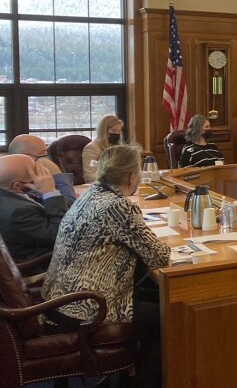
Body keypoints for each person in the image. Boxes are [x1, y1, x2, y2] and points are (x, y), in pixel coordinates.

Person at [41, 145, 170, 388]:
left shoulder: (90, 194)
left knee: (156, 297)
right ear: (131, 177)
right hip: (88, 309)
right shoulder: (117, 206)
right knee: (170, 315)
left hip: (59, 301)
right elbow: (160, 256)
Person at [0, 154, 69, 271]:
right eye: (36, 174)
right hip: (46, 264)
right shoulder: (18, 212)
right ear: (18, 186)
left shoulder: (10, 193)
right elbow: (61, 234)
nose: (43, 177)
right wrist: (50, 191)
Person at [9, 134, 77, 203]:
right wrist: (58, 175)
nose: (46, 161)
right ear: (25, 156)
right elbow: (71, 207)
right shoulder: (22, 182)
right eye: (42, 155)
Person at [82, 115, 125, 182]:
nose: (117, 134)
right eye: (114, 131)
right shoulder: (92, 148)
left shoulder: (119, 147)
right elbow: (89, 177)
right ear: (104, 131)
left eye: (119, 131)